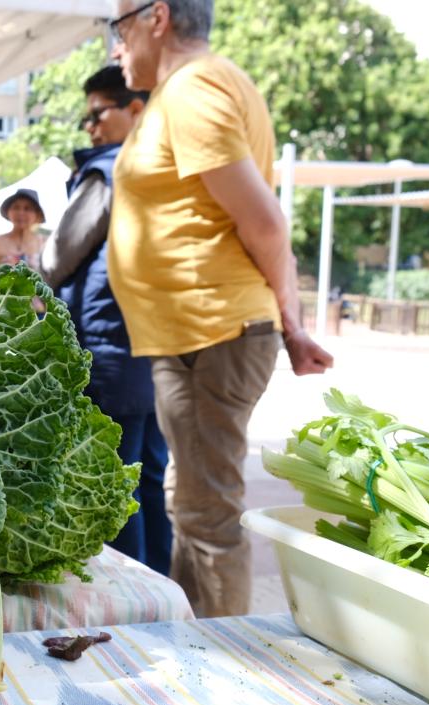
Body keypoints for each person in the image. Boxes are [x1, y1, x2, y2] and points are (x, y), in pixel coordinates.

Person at [106, 0, 333, 617]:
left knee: (208, 516)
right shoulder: (194, 89)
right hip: (195, 336)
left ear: (157, 17)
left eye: (117, 29)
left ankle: (221, 670)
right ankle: (193, 648)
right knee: (196, 507)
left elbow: (263, 222)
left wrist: (292, 324)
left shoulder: (193, 89)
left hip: (213, 333)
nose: (115, 48)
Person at [41, 65, 170, 577]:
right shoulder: (168, 167)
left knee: (116, 483)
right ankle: (162, 582)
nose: (89, 127)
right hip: (154, 346)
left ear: (133, 109)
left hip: (110, 348)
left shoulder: (111, 170)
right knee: (150, 476)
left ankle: (135, 594)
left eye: (96, 114)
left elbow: (58, 256)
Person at [0, 189, 44, 286]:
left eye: (27, 208)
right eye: (16, 207)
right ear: (8, 212)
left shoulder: (45, 244)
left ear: (37, 214)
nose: (21, 212)